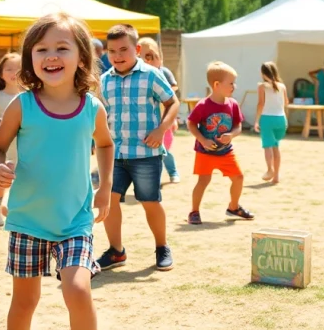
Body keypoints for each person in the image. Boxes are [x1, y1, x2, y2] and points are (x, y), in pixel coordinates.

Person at [0, 12, 114, 330]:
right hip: (27, 222)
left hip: (75, 221)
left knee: (78, 289)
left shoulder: (92, 108)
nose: (51, 55)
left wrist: (104, 189)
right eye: (41, 49)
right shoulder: (22, 105)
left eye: (62, 47)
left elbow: (106, 145)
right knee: (25, 302)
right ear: (30, 60)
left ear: (82, 59)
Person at [97, 24, 179, 271]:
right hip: (114, 153)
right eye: (112, 51)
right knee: (108, 202)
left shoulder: (151, 74)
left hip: (146, 154)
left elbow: (173, 102)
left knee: (150, 201)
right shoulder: (103, 81)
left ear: (138, 49)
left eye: (124, 49)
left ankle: (162, 246)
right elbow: (100, 115)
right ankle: (116, 251)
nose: (118, 55)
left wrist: (161, 129)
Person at [187, 61, 255, 224]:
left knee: (238, 178)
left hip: (226, 152)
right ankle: (194, 212)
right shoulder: (203, 105)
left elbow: (238, 126)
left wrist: (231, 135)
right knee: (203, 181)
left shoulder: (233, 104)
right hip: (205, 152)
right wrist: (202, 140)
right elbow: (191, 124)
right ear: (217, 85)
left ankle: (233, 207)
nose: (234, 87)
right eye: (231, 83)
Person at [0, 52, 25, 226]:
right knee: (2, 179)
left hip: (25, 146)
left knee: (23, 181)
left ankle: (14, 210)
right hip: (6, 147)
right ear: (1, 73)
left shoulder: (30, 95)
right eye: (9, 69)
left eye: (18, 68)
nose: (13, 72)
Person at [138, 37, 181, 184]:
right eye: (144, 57)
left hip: (164, 120)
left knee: (165, 149)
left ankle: (173, 171)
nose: (148, 60)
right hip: (147, 121)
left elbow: (172, 97)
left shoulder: (163, 73)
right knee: (151, 150)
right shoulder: (138, 74)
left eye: (152, 56)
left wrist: (172, 119)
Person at [254, 61, 288, 184]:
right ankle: (276, 176)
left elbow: (260, 103)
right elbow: (286, 103)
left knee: (267, 146)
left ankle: (269, 170)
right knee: (275, 146)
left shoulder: (262, 86)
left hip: (267, 119)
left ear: (263, 73)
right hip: (281, 119)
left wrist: (257, 121)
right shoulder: (282, 86)